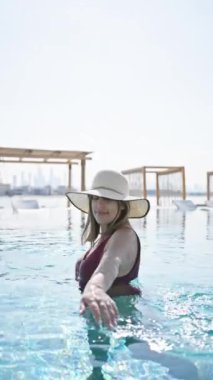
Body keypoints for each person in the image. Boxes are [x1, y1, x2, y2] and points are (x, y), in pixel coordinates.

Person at [66, 169, 150, 329]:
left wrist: (96, 287)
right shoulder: (103, 239)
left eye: (108, 199)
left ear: (122, 207)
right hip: (102, 319)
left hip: (122, 323)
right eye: (95, 198)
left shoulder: (124, 236)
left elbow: (109, 265)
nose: (99, 205)